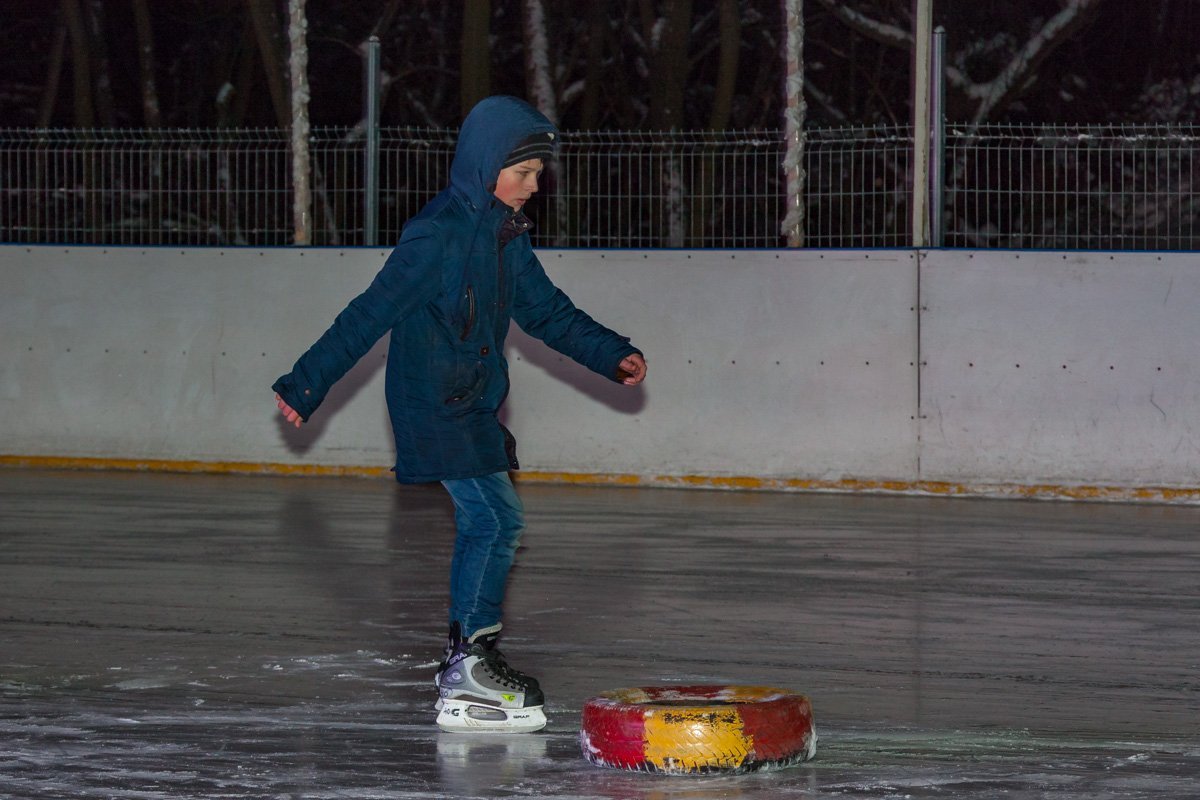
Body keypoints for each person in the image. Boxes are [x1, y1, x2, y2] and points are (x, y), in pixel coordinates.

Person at [271, 95, 647, 733]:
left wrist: (610, 353)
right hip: (432, 403)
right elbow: (368, 313)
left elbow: (547, 312)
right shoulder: (437, 234)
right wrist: (306, 384)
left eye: (537, 174)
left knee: (494, 521)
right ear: (485, 165)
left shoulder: (504, 237)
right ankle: (469, 665)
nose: (533, 186)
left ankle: (469, 658)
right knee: (494, 519)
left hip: (470, 400)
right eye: (523, 173)